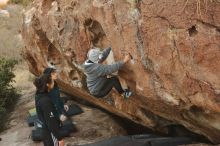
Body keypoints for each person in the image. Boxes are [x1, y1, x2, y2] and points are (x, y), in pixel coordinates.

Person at [34, 74, 65, 146]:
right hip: (51, 133)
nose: (54, 82)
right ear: (48, 84)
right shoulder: (45, 101)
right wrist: (59, 138)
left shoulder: (39, 95)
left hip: (47, 132)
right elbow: (51, 122)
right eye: (52, 81)